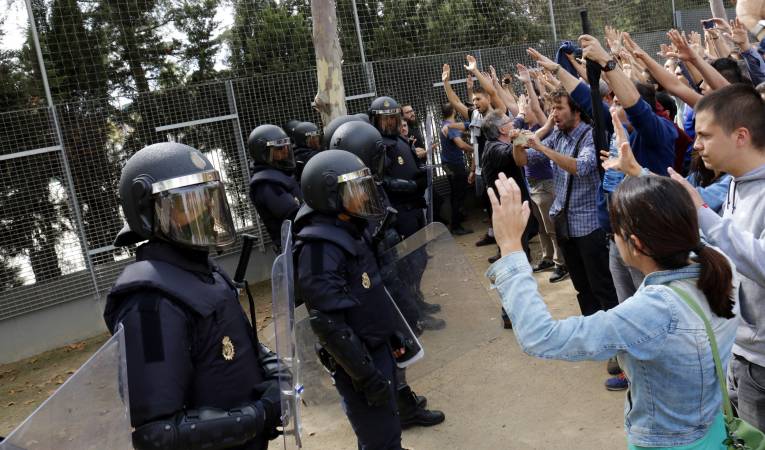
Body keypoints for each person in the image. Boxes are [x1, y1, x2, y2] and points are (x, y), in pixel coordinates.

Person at [487, 172, 739, 450]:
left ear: (636, 244)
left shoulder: (653, 311)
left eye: (613, 233)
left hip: (667, 444)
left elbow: (541, 336)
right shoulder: (720, 265)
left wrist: (511, 248)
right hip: (713, 431)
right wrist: (638, 171)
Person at [103, 143, 283, 450]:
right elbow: (158, 433)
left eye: (206, 201)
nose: (202, 214)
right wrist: (258, 414)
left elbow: (232, 340)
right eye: (187, 205)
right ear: (148, 212)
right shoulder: (149, 304)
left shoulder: (205, 272)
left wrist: (275, 370)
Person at [329, 120, 446, 429]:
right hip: (377, 286)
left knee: (402, 342)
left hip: (388, 277)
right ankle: (399, 405)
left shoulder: (366, 188)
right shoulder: (346, 202)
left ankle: (402, 398)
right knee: (392, 346)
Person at [294, 149, 406, 449]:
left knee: (387, 429)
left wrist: (390, 335)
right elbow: (328, 322)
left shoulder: (350, 229)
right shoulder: (317, 248)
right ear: (330, 195)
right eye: (355, 189)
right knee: (378, 437)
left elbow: (370, 291)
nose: (364, 196)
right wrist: (365, 375)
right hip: (358, 361)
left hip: (376, 348)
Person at [669, 84, 765, 431]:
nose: (696, 145)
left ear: (740, 136)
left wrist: (702, 212)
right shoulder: (738, 182)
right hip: (740, 351)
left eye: (705, 135)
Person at [516, 89, 619, 318]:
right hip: (564, 226)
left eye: (559, 108)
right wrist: (518, 142)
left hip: (589, 227)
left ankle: (615, 338)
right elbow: (523, 160)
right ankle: (593, 329)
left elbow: (581, 167)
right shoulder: (557, 136)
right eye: (552, 109)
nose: (554, 114)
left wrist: (541, 146)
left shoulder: (591, 136)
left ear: (577, 111)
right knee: (581, 287)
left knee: (601, 285)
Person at [247, 124, 302, 249]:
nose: (285, 151)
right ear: (263, 152)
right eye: (279, 148)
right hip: (294, 247)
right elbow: (295, 216)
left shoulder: (280, 173)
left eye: (285, 146)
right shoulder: (266, 184)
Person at [439, 102, 473, 235]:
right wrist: (475, 149)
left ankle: (457, 220)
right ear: (454, 111)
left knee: (455, 193)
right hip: (455, 164)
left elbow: (458, 134)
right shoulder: (450, 126)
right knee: (458, 194)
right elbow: (461, 145)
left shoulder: (445, 124)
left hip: (448, 163)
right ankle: (456, 226)